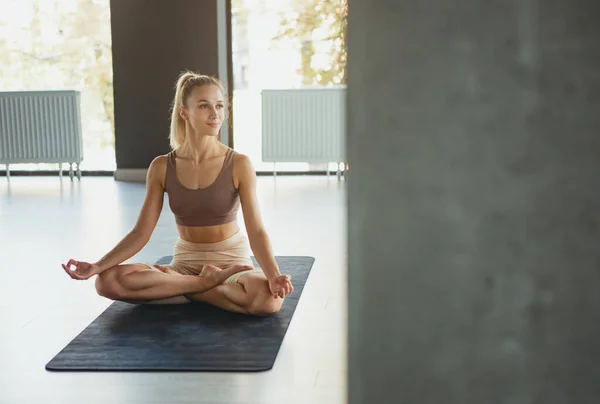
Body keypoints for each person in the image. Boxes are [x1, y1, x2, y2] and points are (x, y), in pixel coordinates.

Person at [61, 71, 294, 316]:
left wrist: (273, 275)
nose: (215, 114)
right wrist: (98, 266)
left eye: (219, 106)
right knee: (106, 282)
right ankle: (204, 285)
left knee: (268, 299)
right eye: (204, 106)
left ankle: (179, 292)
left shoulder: (239, 164)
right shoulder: (162, 166)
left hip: (231, 264)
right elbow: (141, 233)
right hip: (184, 265)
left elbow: (256, 230)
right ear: (184, 112)